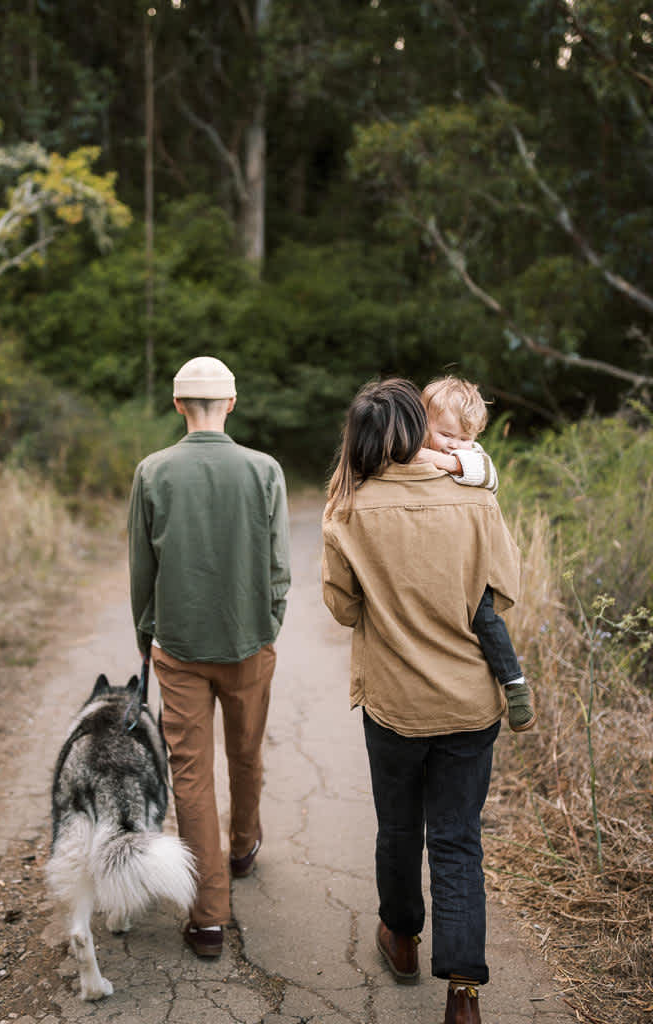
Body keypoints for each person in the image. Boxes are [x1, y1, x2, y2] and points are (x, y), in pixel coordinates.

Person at [321, 377, 521, 1024]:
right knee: (459, 840)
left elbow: (343, 608)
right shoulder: (475, 500)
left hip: (395, 705)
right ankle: (462, 995)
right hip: (469, 703)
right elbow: (503, 588)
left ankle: (402, 941)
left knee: (401, 828)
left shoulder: (348, 509)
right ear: (416, 426)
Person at [128, 356, 291, 960]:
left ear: (177, 406)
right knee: (246, 752)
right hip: (250, 642)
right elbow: (279, 567)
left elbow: (142, 570)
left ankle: (208, 915)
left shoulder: (153, 472)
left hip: (180, 648)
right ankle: (244, 845)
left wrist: (148, 636)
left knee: (191, 776)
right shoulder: (264, 470)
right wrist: (268, 623)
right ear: (232, 403)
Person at [417, 375, 535, 732]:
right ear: (424, 424)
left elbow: (488, 476)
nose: (455, 446)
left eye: (465, 438)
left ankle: (513, 684)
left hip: (471, 564)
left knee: (484, 616)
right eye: (446, 435)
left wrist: (442, 460)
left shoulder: (474, 460)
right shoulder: (410, 451)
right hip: (431, 561)